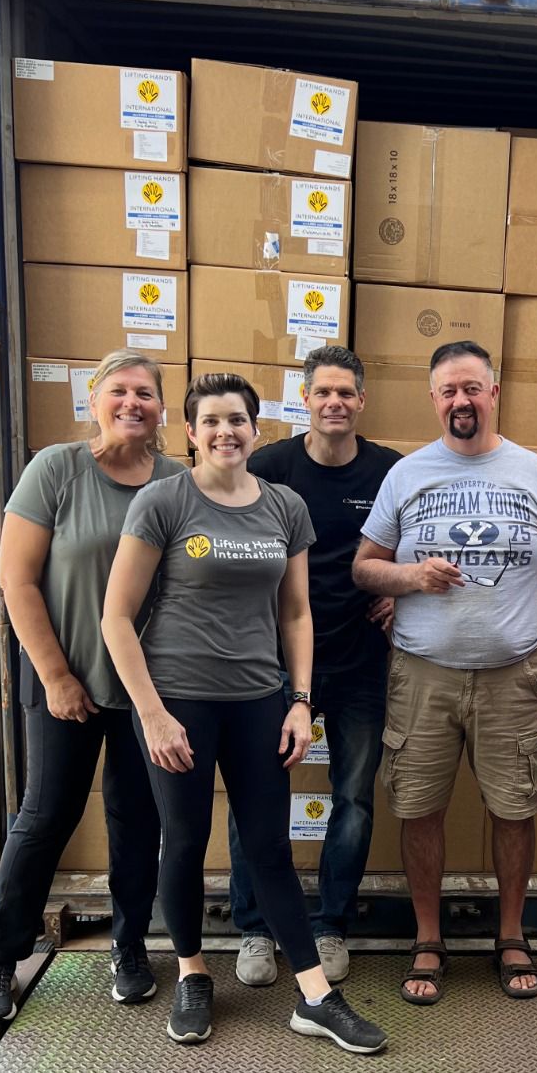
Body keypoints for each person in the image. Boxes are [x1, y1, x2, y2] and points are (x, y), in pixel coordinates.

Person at [101, 371, 386, 1054]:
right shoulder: (163, 502)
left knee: (269, 850)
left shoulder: (284, 507)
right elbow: (115, 617)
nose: (226, 431)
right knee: (187, 837)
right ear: (192, 434)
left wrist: (299, 700)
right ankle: (193, 973)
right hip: (180, 702)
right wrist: (153, 715)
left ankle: (315, 996)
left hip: (260, 700)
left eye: (238, 420)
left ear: (257, 431)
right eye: (212, 421)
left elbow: (296, 612)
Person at [353, 340, 537, 1003]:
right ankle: (429, 938)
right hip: (422, 674)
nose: (461, 401)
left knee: (514, 809)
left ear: (493, 393)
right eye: (448, 391)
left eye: (471, 388)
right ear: (434, 399)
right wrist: (409, 577)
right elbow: (364, 565)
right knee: (419, 808)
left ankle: (510, 934)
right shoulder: (408, 475)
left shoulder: (533, 471)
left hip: (513, 675)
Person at [0, 352, 186, 1025]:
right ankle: (1, 955)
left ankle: (128, 948)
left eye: (145, 393)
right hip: (68, 682)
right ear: (94, 401)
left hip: (150, 691)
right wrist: (56, 676)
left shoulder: (179, 482)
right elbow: (16, 579)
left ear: (161, 409)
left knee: (137, 821)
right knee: (46, 817)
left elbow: (199, 573)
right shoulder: (56, 470)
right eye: (119, 391)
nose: (132, 402)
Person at [227, 347, 400, 988]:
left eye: (346, 393)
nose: (335, 403)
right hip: (271, 667)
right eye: (323, 392)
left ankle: (330, 926)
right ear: (305, 399)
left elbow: (411, 546)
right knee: (258, 797)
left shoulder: (389, 471)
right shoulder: (269, 467)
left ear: (361, 401)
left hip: (359, 664)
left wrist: (396, 590)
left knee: (352, 798)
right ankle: (254, 928)